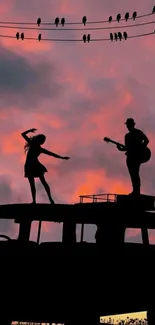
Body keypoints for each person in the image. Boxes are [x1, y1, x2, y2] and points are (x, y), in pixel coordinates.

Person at [21, 128, 70, 204]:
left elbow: (51, 154)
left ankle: (49, 198)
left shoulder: (37, 147)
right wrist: (30, 130)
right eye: (42, 140)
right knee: (34, 184)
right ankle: (35, 200)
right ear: (39, 140)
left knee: (41, 182)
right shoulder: (33, 144)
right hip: (30, 166)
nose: (43, 142)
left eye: (43, 141)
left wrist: (61, 157)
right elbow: (23, 134)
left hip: (34, 165)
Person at [117, 118, 149, 195]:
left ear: (132, 125)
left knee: (135, 173)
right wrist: (119, 148)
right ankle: (135, 190)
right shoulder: (127, 136)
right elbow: (126, 148)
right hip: (130, 157)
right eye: (127, 125)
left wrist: (140, 148)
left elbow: (146, 140)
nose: (128, 126)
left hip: (137, 156)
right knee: (133, 173)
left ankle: (136, 191)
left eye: (129, 125)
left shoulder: (138, 132)